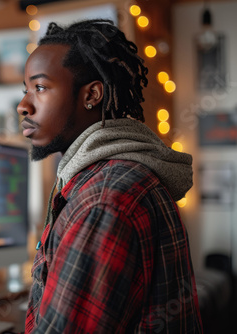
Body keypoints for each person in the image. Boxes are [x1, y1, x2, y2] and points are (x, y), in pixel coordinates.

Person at [17, 19, 202, 333]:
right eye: (25, 90)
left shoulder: (102, 201)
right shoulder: (113, 176)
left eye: (40, 87)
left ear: (92, 94)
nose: (23, 106)